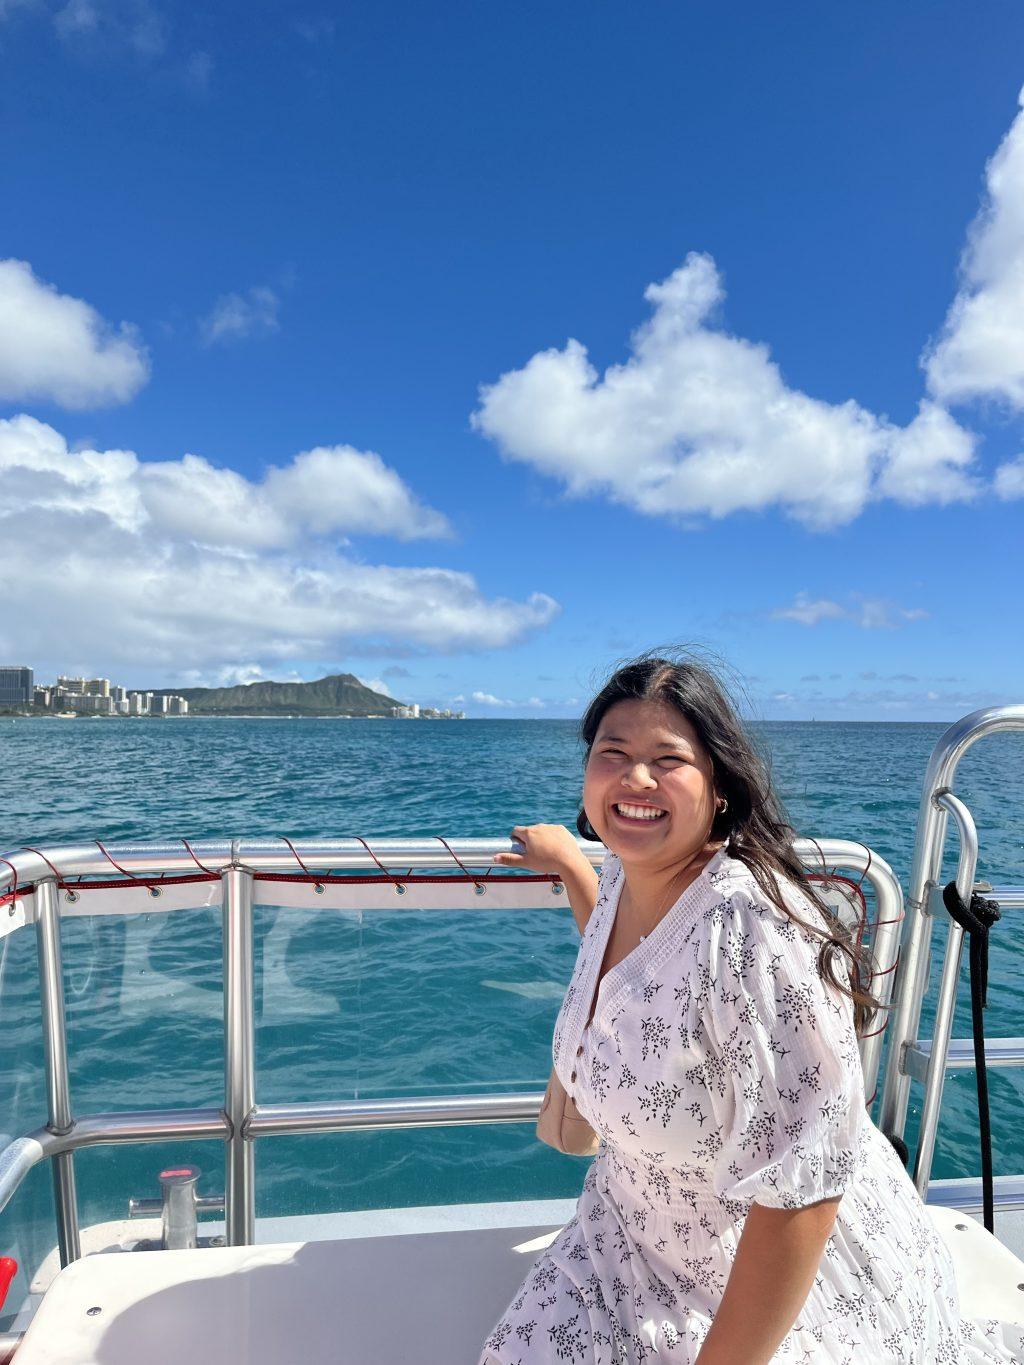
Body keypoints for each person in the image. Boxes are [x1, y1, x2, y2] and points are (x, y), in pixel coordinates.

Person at [479, 654, 1022, 1364]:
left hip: (758, 1275)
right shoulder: (623, 874)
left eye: (666, 758)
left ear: (721, 788)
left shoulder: (753, 928)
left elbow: (805, 1189)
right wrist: (574, 866)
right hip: (626, 1237)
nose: (635, 777)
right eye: (612, 752)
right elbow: (641, 975)